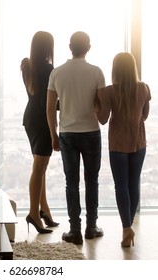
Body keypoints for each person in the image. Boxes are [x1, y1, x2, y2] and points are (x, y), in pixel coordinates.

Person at [46, 31, 105, 244]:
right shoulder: (96, 72)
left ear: (69, 47)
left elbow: (50, 108)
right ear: (88, 47)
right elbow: (101, 106)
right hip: (91, 131)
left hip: (67, 133)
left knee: (71, 182)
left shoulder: (57, 73)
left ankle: (74, 230)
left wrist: (53, 135)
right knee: (92, 181)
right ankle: (91, 227)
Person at [95, 52, 151, 247]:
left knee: (121, 186)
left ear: (115, 69)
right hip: (139, 143)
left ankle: (127, 228)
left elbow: (102, 119)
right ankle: (129, 227)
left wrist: (96, 105)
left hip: (118, 145)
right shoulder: (144, 88)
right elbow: (144, 116)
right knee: (133, 185)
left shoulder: (110, 91)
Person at [21, 31, 59, 234]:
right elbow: (50, 103)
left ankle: (44, 210)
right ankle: (34, 213)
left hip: (30, 119)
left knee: (40, 167)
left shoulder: (26, 65)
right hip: (43, 121)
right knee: (39, 168)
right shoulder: (49, 70)